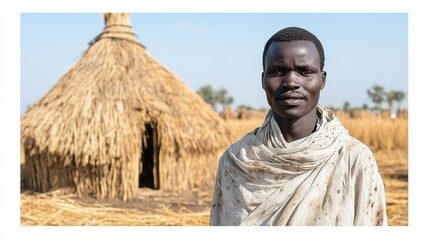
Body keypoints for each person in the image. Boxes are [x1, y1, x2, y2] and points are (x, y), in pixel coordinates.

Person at [209, 26, 388, 226]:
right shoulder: (236, 161)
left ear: (322, 80)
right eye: (277, 71)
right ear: (262, 80)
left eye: (305, 72)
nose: (291, 82)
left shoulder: (353, 158)